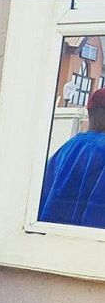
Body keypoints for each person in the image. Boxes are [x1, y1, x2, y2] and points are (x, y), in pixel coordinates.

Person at [38, 87, 105, 228]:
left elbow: (41, 194)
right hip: (81, 238)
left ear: (89, 112)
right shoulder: (101, 148)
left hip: (48, 233)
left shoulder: (67, 148)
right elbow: (97, 213)